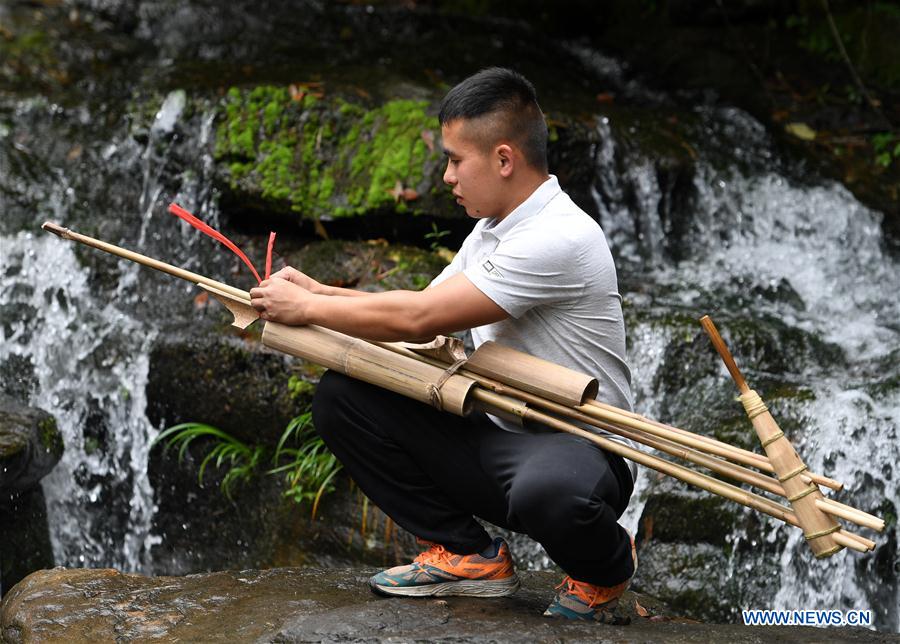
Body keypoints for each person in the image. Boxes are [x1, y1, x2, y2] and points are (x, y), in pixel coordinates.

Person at [249, 67, 637, 623]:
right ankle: (469, 554)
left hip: (577, 447)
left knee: (545, 492)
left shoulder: (561, 237)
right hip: (497, 429)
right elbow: (430, 318)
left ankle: (606, 567)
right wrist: (321, 292)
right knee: (343, 398)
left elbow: (421, 316)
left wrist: (310, 310)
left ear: (504, 159)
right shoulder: (492, 227)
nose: (447, 175)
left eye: (456, 160)